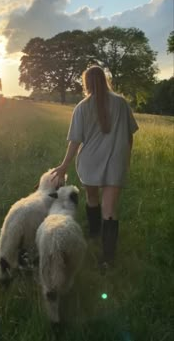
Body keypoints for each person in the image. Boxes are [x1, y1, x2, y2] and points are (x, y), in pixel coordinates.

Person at [52, 65, 139, 268]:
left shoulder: (82, 107)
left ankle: (94, 234)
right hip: (116, 161)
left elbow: (75, 141)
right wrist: (126, 158)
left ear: (86, 83)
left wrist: (64, 165)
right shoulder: (121, 103)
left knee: (92, 198)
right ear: (105, 80)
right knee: (110, 209)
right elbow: (129, 135)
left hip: (89, 162)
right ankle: (108, 259)